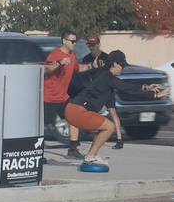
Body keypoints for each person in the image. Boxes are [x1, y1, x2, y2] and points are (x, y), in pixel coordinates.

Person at [65, 50, 170, 166]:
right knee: (109, 127)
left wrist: (146, 87)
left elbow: (126, 86)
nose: (123, 68)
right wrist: (155, 95)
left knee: (104, 127)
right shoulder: (108, 78)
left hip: (74, 109)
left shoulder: (106, 76)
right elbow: (128, 90)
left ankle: (91, 154)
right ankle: (91, 156)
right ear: (114, 63)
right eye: (122, 65)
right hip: (77, 111)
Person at [44, 31, 93, 159]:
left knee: (74, 117)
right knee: (39, 126)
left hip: (63, 97)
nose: (74, 44)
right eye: (72, 41)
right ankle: (35, 151)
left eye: (75, 41)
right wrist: (59, 63)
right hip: (49, 97)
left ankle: (73, 149)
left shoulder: (71, 56)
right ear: (64, 41)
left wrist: (92, 65)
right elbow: (47, 69)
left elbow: (78, 68)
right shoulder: (55, 54)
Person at [82, 36, 124, 149]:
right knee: (91, 111)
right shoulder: (86, 58)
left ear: (99, 45)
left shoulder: (106, 57)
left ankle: (119, 139)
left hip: (106, 88)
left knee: (112, 111)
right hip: (95, 89)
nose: (91, 47)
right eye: (89, 45)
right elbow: (85, 77)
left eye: (93, 45)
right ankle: (98, 132)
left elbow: (110, 73)